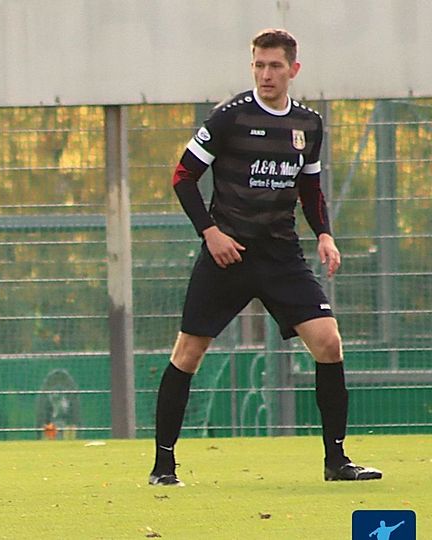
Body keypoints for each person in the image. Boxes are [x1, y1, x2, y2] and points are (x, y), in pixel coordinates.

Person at [149, 29, 382, 486]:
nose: (265, 74)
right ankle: (163, 466)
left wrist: (325, 235)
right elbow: (182, 177)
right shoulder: (229, 118)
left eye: (274, 66)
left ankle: (337, 461)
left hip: (280, 255)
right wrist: (211, 233)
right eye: (258, 65)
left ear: (293, 69)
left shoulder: (308, 125)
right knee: (189, 352)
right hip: (227, 256)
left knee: (329, 342)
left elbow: (310, 188)